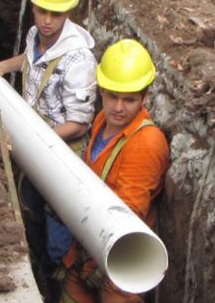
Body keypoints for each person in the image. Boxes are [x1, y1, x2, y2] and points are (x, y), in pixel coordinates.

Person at [0, 0, 97, 299]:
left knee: (57, 231)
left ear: (69, 13)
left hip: (62, 150)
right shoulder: (37, 35)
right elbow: (31, 61)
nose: (47, 20)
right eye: (42, 11)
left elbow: (79, 122)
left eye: (56, 13)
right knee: (30, 208)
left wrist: (32, 140)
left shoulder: (78, 58)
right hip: (35, 138)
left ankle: (57, 278)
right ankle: (36, 263)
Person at [60, 38, 170, 303]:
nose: (118, 108)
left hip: (122, 266)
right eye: (112, 96)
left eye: (129, 100)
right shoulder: (102, 120)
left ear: (145, 97)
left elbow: (129, 212)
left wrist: (93, 265)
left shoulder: (146, 142)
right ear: (101, 91)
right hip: (87, 249)